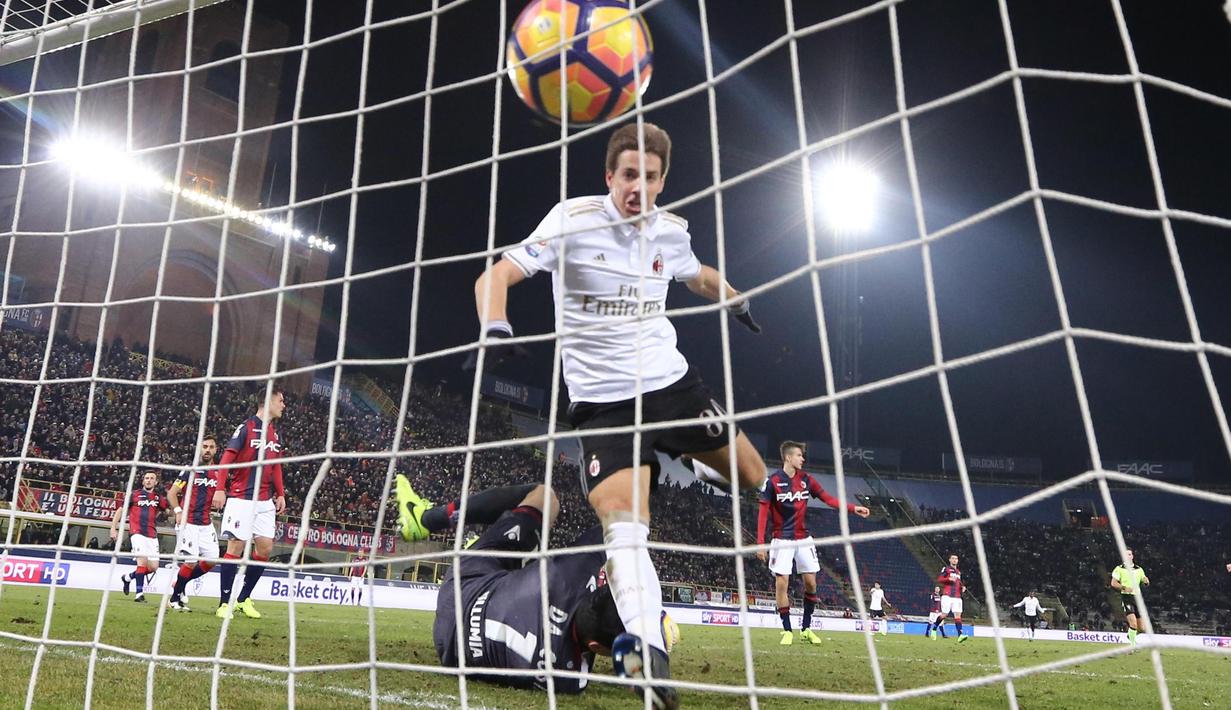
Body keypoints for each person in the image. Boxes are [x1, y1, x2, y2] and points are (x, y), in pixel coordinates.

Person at [469, 122, 766, 708]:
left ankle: (688, 455)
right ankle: (650, 659)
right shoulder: (572, 221)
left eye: (649, 177)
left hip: (672, 385)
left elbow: (696, 274)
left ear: (662, 181)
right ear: (610, 176)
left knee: (754, 477)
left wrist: (735, 296)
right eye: (628, 174)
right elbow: (497, 273)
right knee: (624, 525)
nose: (638, 187)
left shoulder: (671, 232)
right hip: (603, 404)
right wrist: (495, 324)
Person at [395, 475, 654, 698]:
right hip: (452, 649)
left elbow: (616, 528)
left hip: (467, 584)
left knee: (544, 497)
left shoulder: (565, 576)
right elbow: (593, 642)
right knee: (525, 575)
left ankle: (425, 519)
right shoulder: (571, 681)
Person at [756, 440, 869, 645]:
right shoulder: (772, 482)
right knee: (782, 584)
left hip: (804, 538)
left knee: (811, 583)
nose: (803, 459)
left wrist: (853, 508)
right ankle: (787, 630)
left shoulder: (807, 480)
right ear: (788, 457)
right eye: (799, 455)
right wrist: (760, 543)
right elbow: (763, 513)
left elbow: (828, 499)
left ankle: (806, 628)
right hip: (781, 540)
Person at [211, 387, 287, 620]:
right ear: (268, 400)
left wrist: (281, 493)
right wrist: (220, 488)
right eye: (281, 400)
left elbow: (275, 466)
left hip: (265, 501)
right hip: (241, 498)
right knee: (236, 548)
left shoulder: (274, 434)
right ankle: (224, 603)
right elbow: (226, 458)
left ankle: (243, 599)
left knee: (265, 548)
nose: (284, 405)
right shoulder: (246, 428)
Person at [166, 434, 222, 611]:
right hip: (188, 522)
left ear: (215, 450)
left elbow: (220, 495)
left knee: (212, 559)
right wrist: (177, 511)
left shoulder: (220, 472)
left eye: (211, 447)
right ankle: (174, 599)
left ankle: (180, 584)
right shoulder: (190, 470)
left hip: (205, 523)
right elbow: (172, 493)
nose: (207, 450)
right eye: (204, 446)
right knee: (190, 562)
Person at [109, 470, 168, 603]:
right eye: (146, 478)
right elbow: (121, 510)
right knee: (142, 562)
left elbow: (166, 510)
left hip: (152, 534)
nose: (148, 480)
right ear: (143, 481)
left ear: (156, 482)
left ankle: (128, 578)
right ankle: (139, 594)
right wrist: (113, 527)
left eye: (151, 478)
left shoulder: (158, 498)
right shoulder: (134, 495)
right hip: (137, 533)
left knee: (153, 567)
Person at [1110, 548, 1150, 645]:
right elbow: (1113, 583)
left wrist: (1146, 582)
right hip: (1127, 597)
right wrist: (1124, 587)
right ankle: (1132, 645)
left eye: (1129, 554)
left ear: (1132, 556)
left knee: (1141, 628)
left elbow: (1145, 581)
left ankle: (1130, 635)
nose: (1128, 556)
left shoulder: (1139, 569)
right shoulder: (1119, 569)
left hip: (1138, 599)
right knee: (1133, 624)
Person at [937, 554, 969, 643]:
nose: (955, 560)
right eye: (953, 558)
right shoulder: (946, 569)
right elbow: (940, 579)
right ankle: (935, 628)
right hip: (947, 595)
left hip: (957, 597)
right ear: (950, 560)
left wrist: (962, 587)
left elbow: (958, 582)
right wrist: (949, 579)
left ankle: (960, 635)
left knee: (958, 615)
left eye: (956, 559)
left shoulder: (958, 572)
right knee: (944, 615)